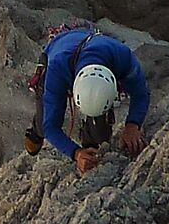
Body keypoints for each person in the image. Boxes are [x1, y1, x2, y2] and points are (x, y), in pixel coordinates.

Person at [29, 26, 150, 173]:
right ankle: (35, 132)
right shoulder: (57, 69)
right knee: (43, 124)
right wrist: (75, 153)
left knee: (100, 136)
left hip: (93, 46)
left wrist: (133, 124)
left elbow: (141, 93)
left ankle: (90, 147)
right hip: (59, 50)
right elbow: (51, 127)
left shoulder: (122, 57)